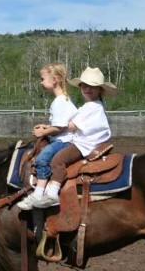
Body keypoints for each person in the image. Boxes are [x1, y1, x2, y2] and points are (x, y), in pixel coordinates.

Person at [31, 66, 117, 208]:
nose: (88, 89)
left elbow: (71, 126)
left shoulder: (93, 107)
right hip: (85, 141)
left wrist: (46, 131)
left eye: (93, 87)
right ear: (80, 87)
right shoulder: (90, 106)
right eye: (85, 86)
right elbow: (68, 123)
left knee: (58, 160)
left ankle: (52, 193)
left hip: (85, 144)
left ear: (99, 90)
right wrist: (49, 127)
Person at [17, 62, 77, 210]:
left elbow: (61, 127)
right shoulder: (64, 100)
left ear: (54, 80)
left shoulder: (59, 102)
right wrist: (46, 127)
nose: (41, 82)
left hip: (64, 140)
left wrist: (42, 132)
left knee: (42, 159)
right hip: (64, 137)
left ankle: (40, 194)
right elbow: (61, 124)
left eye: (43, 78)